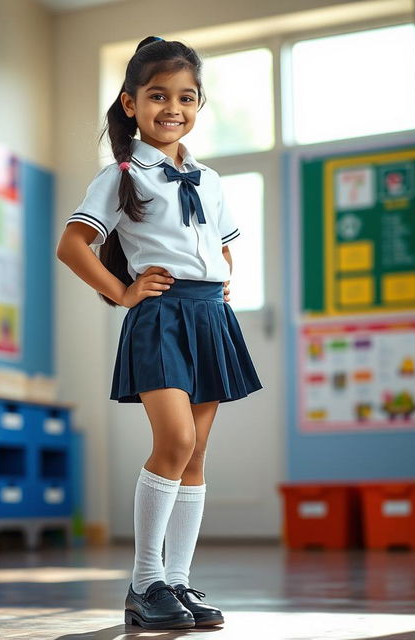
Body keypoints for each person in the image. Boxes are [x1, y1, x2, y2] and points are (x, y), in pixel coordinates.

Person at [56, 36, 262, 630]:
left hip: (208, 317)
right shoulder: (122, 174)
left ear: (199, 104)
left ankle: (177, 581)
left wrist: (225, 282)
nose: (173, 107)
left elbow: (224, 245)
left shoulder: (210, 178)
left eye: (186, 97)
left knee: (195, 454)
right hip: (161, 317)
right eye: (158, 96)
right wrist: (122, 292)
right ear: (130, 104)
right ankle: (145, 583)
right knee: (172, 442)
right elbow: (74, 245)